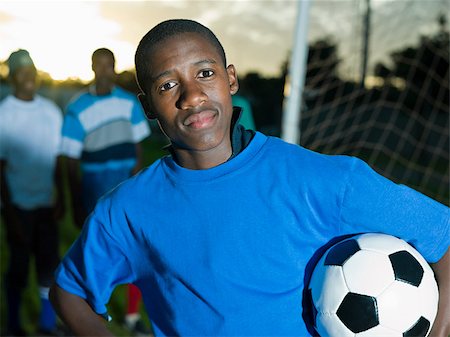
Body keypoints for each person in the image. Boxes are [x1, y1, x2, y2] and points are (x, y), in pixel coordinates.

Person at [49, 19, 449, 337]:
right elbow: (70, 292)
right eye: (167, 85)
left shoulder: (327, 181)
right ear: (148, 106)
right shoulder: (127, 210)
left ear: (231, 80)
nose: (191, 96)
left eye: (205, 73)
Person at [57, 48, 152, 335]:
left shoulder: (129, 104)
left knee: (137, 254)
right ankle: (92, 316)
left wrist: (136, 188)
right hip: (93, 190)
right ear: (92, 68)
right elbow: (70, 159)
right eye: (99, 65)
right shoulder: (78, 107)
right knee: (96, 259)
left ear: (114, 67)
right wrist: (74, 200)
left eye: (109, 65)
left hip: (126, 190)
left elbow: (138, 149)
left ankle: (133, 317)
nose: (104, 70)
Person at [0, 49, 64, 336]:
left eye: (32, 71)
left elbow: (56, 160)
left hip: (45, 204)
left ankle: (47, 325)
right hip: (18, 206)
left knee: (49, 267)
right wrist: (9, 211)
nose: (29, 77)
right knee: (18, 267)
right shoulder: (5, 113)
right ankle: (13, 325)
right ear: (13, 77)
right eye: (22, 72)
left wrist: (59, 195)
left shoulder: (50, 112)